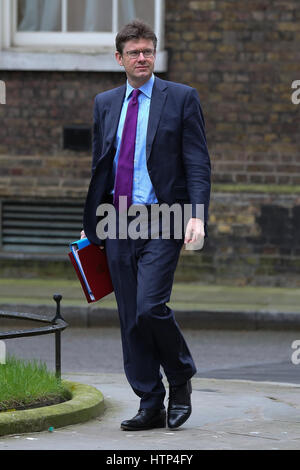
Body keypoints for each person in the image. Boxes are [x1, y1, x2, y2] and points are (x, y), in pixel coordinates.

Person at [82, 19, 211, 431]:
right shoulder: (105, 103)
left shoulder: (181, 98)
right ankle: (150, 401)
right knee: (130, 317)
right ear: (119, 58)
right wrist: (92, 222)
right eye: (134, 52)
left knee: (150, 307)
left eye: (148, 51)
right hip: (117, 220)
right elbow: (100, 167)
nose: (142, 58)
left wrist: (197, 216)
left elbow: (197, 162)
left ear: (155, 55)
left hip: (164, 218)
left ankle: (180, 376)